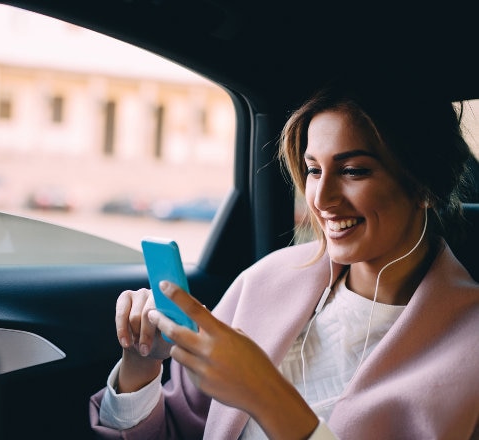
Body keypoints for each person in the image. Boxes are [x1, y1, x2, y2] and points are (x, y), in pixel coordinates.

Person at [89, 80, 479, 439]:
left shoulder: (469, 345)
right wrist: (140, 368)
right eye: (313, 170)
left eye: (354, 171)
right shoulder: (265, 282)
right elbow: (177, 429)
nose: (322, 200)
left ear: (425, 186)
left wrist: (265, 394)